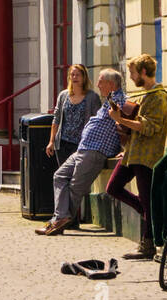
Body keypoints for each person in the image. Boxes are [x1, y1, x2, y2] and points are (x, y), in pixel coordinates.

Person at [37, 70, 127, 236]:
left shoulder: (119, 101)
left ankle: (56, 222)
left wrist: (125, 150)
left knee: (75, 189)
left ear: (111, 85)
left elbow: (125, 128)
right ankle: (60, 218)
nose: (98, 84)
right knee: (59, 175)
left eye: (101, 81)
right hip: (83, 148)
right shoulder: (108, 100)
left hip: (95, 151)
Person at [106, 54, 167, 259]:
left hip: (147, 157)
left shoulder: (158, 97)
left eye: (133, 73)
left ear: (143, 72)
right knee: (113, 187)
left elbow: (149, 128)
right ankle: (146, 213)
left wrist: (120, 120)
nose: (131, 77)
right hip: (132, 154)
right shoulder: (146, 95)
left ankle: (148, 244)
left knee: (147, 199)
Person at [47, 64, 101, 169]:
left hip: (82, 145)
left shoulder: (92, 97)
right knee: (63, 176)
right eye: (72, 75)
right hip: (62, 144)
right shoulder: (63, 95)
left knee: (77, 177)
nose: (75, 77)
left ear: (84, 77)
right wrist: (51, 141)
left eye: (78, 75)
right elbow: (56, 119)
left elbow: (97, 122)